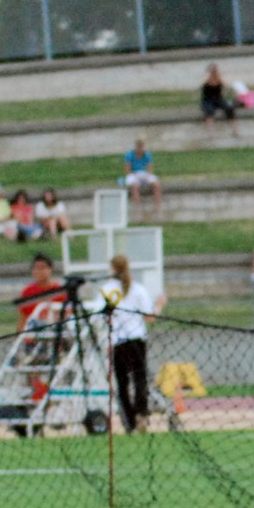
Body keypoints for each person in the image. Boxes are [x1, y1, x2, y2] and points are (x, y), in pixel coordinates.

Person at [104, 253, 164, 432]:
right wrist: (159, 305)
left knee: (122, 382)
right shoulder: (138, 289)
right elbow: (149, 317)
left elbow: (105, 317)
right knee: (140, 379)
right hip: (136, 340)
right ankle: (142, 415)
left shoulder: (109, 290)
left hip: (118, 341)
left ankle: (128, 420)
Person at [15, 252, 63, 331]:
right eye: (35, 268)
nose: (38, 271)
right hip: (33, 334)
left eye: (42, 268)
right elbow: (23, 318)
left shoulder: (59, 290)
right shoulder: (28, 291)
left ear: (50, 269)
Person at [123, 138, 163, 212]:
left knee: (156, 185)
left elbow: (150, 169)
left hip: (144, 174)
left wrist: (146, 176)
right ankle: (137, 209)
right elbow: (127, 170)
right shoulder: (129, 155)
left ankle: (158, 207)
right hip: (133, 174)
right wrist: (135, 175)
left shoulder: (147, 154)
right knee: (134, 186)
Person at [200, 64, 238, 134]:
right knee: (209, 111)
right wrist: (209, 77)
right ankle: (210, 131)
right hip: (207, 100)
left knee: (229, 108)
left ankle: (234, 129)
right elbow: (202, 85)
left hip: (218, 99)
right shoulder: (206, 80)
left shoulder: (219, 79)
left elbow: (226, 87)